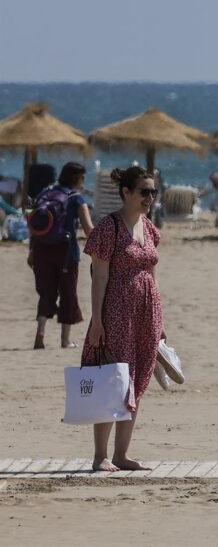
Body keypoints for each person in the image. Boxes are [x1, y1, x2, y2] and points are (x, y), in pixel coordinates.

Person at [82, 166, 164, 471]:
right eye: (144, 191)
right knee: (113, 380)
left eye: (153, 192)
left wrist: (160, 321)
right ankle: (100, 455)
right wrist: (97, 321)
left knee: (138, 379)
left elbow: (151, 272)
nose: (150, 197)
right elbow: (99, 276)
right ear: (126, 192)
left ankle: (122, 454)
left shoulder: (149, 228)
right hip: (116, 312)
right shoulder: (109, 228)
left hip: (146, 312)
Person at [28, 162, 93, 349]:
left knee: (46, 292)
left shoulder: (45, 193)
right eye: (82, 177)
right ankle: (65, 340)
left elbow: (33, 224)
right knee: (68, 293)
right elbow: (89, 229)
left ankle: (41, 331)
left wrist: (32, 251)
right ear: (76, 178)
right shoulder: (76, 198)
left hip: (41, 249)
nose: (83, 181)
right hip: (66, 252)